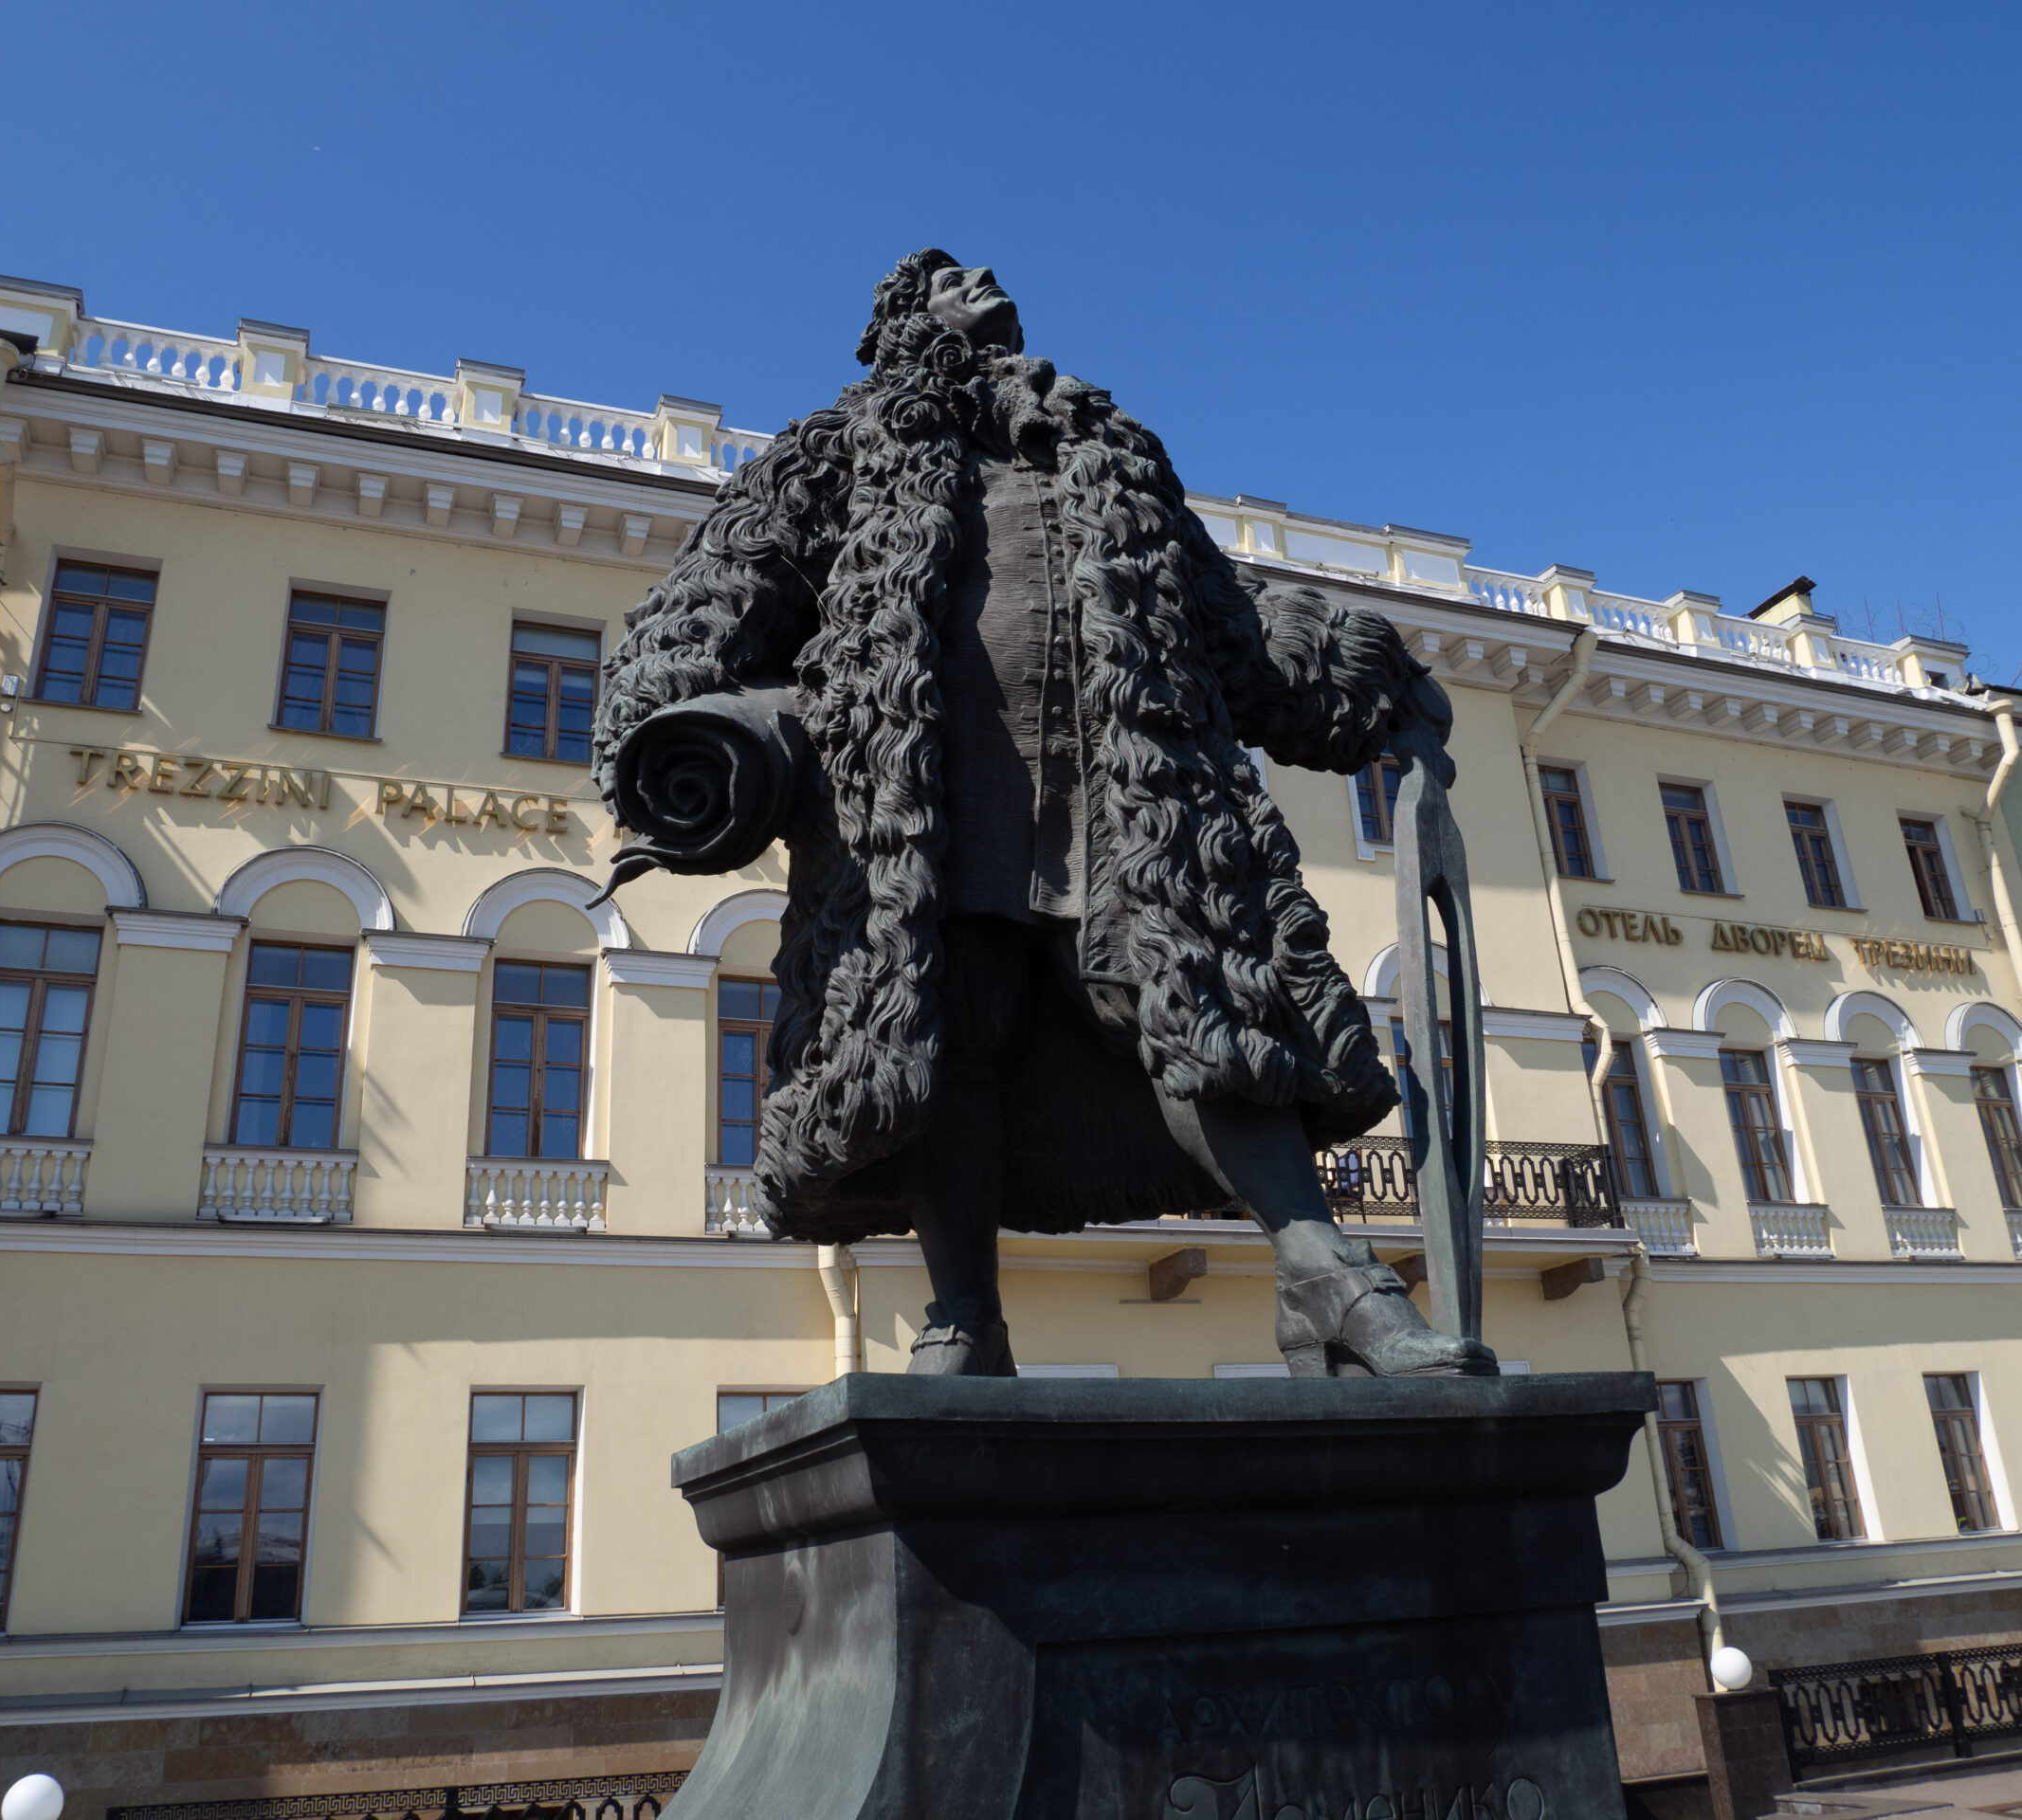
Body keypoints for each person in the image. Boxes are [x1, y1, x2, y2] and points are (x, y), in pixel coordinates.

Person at [597, 250, 1491, 1378]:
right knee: (939, 1027)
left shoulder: (1108, 453)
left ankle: (1325, 1277)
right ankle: (965, 1315)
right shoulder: (836, 449)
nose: (979, 273)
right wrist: (685, 744)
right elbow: (707, 603)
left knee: (1193, 996)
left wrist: (1364, 671)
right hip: (925, 792)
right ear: (905, 321)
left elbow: (1224, 621)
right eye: (944, 275)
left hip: (1121, 782)